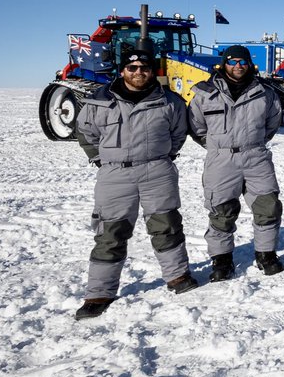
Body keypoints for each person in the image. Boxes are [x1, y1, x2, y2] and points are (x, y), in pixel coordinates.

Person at [73, 46, 198, 319]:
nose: (138, 72)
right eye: (132, 68)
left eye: (144, 68)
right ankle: (99, 293)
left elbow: (179, 133)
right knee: (110, 231)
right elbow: (85, 132)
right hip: (115, 175)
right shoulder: (99, 101)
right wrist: (100, 158)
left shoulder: (171, 102)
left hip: (157, 171)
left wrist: (164, 156)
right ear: (122, 71)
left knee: (166, 225)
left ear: (152, 71)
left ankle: (177, 276)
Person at [187, 45, 284, 281]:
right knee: (221, 211)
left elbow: (272, 125)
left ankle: (266, 255)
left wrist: (252, 142)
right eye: (233, 62)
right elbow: (196, 127)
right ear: (224, 64)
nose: (238, 66)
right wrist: (218, 145)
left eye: (242, 62)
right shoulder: (204, 93)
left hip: (256, 157)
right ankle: (221, 260)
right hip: (221, 160)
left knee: (268, 206)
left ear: (249, 64)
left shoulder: (265, 93)